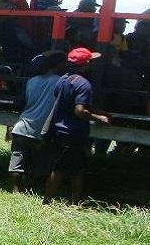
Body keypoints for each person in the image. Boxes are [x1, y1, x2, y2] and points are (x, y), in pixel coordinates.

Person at [42, 48, 109, 205]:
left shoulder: (63, 80)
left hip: (60, 129)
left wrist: (96, 111)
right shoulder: (84, 84)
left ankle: (75, 202)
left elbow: (67, 102)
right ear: (85, 65)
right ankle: (48, 201)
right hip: (74, 132)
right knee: (61, 169)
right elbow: (80, 110)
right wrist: (99, 118)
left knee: (76, 168)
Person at [8, 50, 65, 193]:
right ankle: (28, 187)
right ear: (60, 65)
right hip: (42, 130)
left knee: (17, 160)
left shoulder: (32, 81)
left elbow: (18, 103)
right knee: (42, 162)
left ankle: (15, 190)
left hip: (22, 126)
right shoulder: (61, 82)